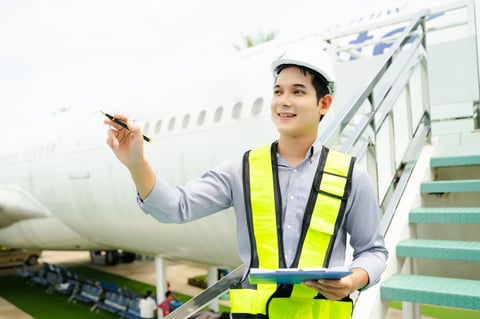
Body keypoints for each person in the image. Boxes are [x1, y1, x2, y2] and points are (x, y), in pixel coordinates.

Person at [105, 41, 388, 319]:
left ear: (323, 103)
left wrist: (353, 280)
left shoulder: (351, 176)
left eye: (297, 92)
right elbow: (175, 207)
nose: (284, 101)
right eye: (278, 91)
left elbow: (373, 252)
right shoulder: (241, 170)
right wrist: (136, 163)